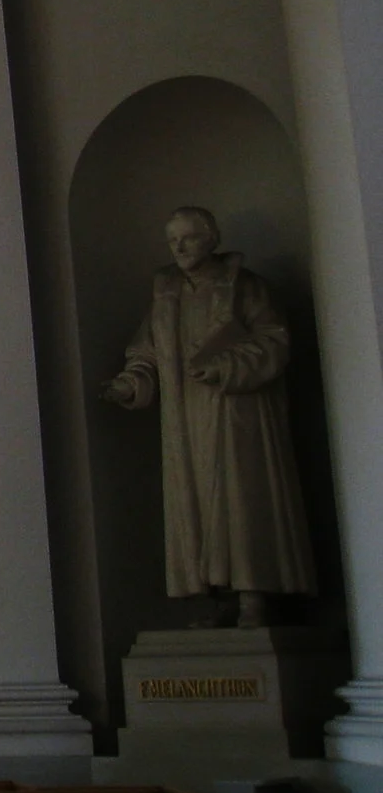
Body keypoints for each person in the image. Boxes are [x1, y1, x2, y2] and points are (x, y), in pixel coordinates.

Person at [103, 207, 316, 627]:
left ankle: (254, 596)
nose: (179, 247)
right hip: (185, 421)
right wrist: (131, 383)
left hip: (239, 414)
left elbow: (274, 341)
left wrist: (226, 365)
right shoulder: (166, 295)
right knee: (197, 507)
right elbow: (147, 353)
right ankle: (219, 599)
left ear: (212, 238)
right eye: (172, 240)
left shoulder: (246, 288)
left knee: (242, 501)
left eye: (189, 238)